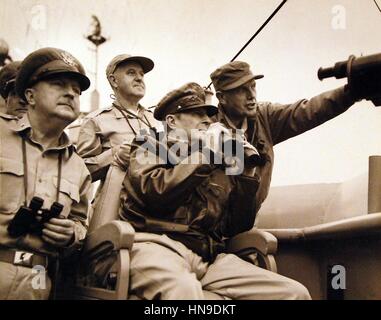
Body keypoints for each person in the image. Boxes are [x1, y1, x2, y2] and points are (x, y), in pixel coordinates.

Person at [116, 82, 311, 300]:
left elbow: (236, 226)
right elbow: (153, 191)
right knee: (184, 292)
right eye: (198, 114)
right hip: (156, 246)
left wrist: (247, 176)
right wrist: (207, 154)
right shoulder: (150, 144)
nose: (208, 121)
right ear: (171, 121)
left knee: (293, 294)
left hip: (208, 258)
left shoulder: (217, 159)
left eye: (209, 115)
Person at [0, 47, 92, 300]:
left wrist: (72, 234)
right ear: (29, 95)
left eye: (77, 90)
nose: (70, 93)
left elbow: (81, 223)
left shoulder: (78, 167)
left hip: (38, 279)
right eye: (59, 84)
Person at [210, 61, 359, 216]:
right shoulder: (205, 129)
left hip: (244, 221)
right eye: (241, 90)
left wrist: (351, 93)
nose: (251, 95)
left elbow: (307, 111)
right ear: (222, 98)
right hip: (210, 226)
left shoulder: (264, 118)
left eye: (253, 86)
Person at [77, 54, 159, 182]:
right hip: (117, 199)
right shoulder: (95, 120)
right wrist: (114, 155)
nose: (139, 78)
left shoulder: (156, 119)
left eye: (142, 74)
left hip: (157, 198)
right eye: (131, 73)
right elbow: (78, 174)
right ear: (114, 80)